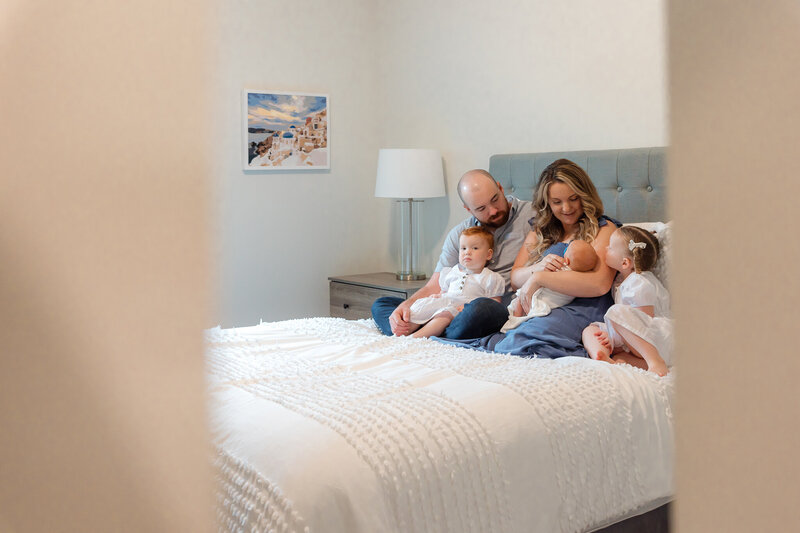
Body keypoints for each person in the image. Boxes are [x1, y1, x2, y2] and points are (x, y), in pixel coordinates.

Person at [440, 159, 620, 357]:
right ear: (547, 203)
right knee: (507, 338)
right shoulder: (541, 230)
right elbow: (516, 279)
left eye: (574, 198)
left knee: (528, 338)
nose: (567, 208)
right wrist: (539, 266)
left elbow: (599, 284)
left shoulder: (604, 228)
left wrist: (538, 278)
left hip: (582, 307)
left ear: (585, 196)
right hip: (539, 306)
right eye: (557, 202)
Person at [371, 169, 535, 339]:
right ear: (468, 209)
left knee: (481, 308)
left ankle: (430, 329)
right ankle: (438, 330)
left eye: (495, 199)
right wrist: (406, 306)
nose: (493, 211)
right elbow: (434, 286)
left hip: (492, 310)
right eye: (481, 208)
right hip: (450, 305)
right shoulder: (459, 234)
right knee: (382, 305)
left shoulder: (533, 215)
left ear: (500, 188)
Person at [582, 225, 673, 376]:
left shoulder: (639, 282)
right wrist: (610, 336)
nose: (605, 248)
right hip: (638, 345)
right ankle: (604, 360)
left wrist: (613, 336)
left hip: (657, 340)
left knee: (615, 312)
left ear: (625, 263)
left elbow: (643, 322)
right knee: (590, 330)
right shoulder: (622, 281)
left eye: (610, 247)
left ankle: (655, 362)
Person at [406, 226, 505, 338]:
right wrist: (438, 296)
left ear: (488, 254)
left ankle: (416, 338)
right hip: (446, 301)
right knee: (419, 306)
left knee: (444, 315)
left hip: (462, 312)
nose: (467, 252)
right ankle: (402, 332)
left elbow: (493, 304)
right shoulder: (452, 272)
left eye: (475, 248)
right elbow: (444, 291)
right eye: (463, 248)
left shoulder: (490, 277)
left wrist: (469, 307)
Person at [501, 239, 597, 332]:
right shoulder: (579, 277)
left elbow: (543, 280)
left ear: (566, 260)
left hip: (544, 299)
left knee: (520, 297)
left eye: (567, 249)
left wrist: (537, 278)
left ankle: (515, 320)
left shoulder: (560, 267)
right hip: (555, 304)